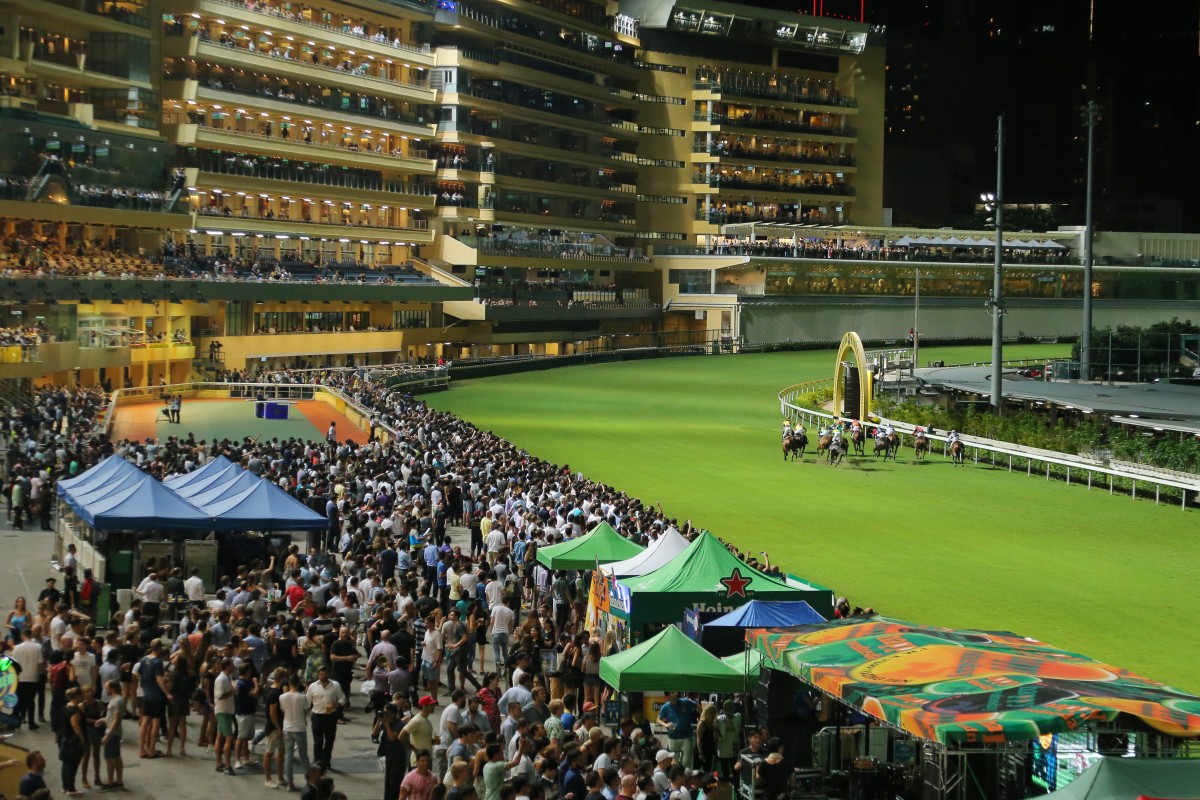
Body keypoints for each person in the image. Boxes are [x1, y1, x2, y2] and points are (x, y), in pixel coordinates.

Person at [306, 666, 345, 769]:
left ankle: (326, 761)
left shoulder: (335, 685)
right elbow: (307, 702)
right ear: (318, 675)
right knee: (318, 741)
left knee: (329, 741)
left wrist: (336, 705)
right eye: (321, 674)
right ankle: (318, 761)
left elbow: (342, 698)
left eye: (325, 674)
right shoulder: (313, 687)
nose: (324, 676)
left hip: (330, 716)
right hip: (317, 717)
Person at [280, 674, 311, 791]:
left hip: (287, 728)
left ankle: (290, 783)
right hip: (300, 728)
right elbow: (306, 711)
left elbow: (283, 711)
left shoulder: (282, 697)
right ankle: (309, 781)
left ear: (289, 683)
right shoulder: (302, 697)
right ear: (298, 684)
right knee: (304, 757)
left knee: (288, 756)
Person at [656, 692, 699, 769]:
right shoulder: (665, 707)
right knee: (675, 762)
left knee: (686, 762)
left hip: (686, 737)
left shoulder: (686, 702)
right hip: (673, 738)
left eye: (676, 691)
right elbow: (658, 719)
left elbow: (699, 707)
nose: (675, 693)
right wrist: (665, 724)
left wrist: (702, 720)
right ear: (668, 695)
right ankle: (676, 779)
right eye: (672, 692)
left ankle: (686, 779)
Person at [100, 678, 125, 789]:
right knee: (116, 756)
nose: (105, 689)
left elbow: (116, 719)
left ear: (112, 688)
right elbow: (111, 717)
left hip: (113, 733)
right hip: (114, 732)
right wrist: (103, 720)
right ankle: (119, 780)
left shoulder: (118, 701)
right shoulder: (115, 699)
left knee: (109, 758)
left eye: (107, 687)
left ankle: (110, 782)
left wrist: (107, 735)